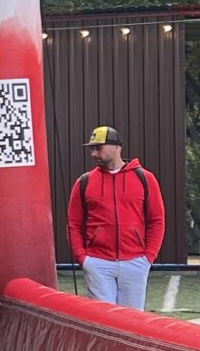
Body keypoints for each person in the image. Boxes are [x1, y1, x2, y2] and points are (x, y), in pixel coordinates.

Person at [68, 124, 165, 310]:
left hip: (135, 261)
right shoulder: (84, 182)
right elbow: (74, 223)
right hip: (97, 262)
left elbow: (157, 220)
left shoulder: (145, 178)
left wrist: (148, 257)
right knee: (103, 319)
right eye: (92, 149)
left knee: (133, 320)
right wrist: (83, 258)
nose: (94, 154)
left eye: (98, 148)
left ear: (117, 147)